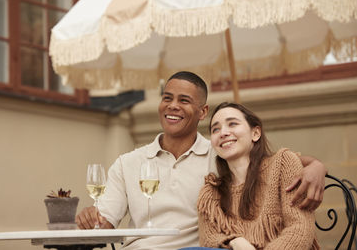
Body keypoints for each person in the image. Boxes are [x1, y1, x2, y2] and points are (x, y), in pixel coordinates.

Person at [76, 71, 326, 250]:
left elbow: (271, 162)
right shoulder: (127, 163)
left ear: (202, 112)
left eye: (184, 100)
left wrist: (317, 166)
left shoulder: (219, 155)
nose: (172, 106)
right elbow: (103, 223)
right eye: (167, 98)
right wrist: (92, 219)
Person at [197, 102, 320, 249]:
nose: (223, 133)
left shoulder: (282, 164)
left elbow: (300, 229)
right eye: (215, 129)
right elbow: (208, 239)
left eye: (232, 124)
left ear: (255, 133)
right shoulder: (211, 192)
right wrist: (234, 241)